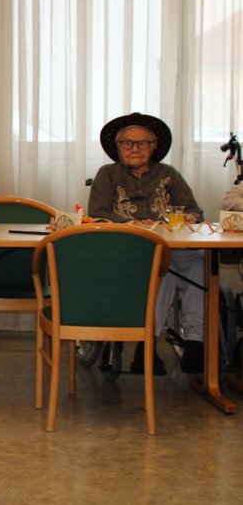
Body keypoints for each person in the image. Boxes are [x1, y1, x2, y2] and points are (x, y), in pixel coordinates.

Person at [88, 112, 206, 374]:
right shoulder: (107, 174)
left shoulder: (169, 174)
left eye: (142, 143)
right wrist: (132, 223)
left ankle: (195, 343)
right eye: (127, 143)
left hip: (169, 246)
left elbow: (194, 210)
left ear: (153, 147)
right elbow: (97, 212)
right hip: (125, 249)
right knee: (161, 265)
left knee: (200, 263)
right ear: (118, 147)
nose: (134, 148)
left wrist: (188, 217)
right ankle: (147, 345)